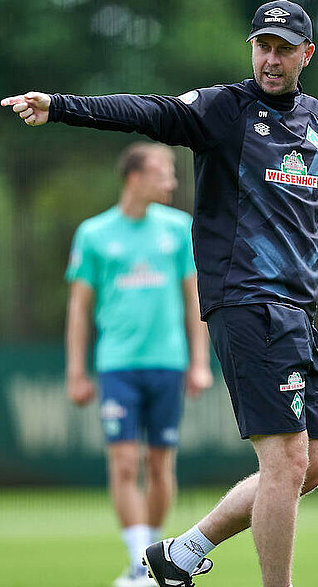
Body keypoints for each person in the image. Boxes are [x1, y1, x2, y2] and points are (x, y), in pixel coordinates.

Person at [1, 0, 318, 587]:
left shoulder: (316, 120)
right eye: (263, 46)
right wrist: (60, 107)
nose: (271, 58)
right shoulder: (225, 110)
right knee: (283, 462)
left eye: (284, 48)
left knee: (310, 467)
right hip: (247, 302)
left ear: (307, 54)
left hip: (297, 311)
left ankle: (182, 553)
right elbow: (148, 112)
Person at [64, 142, 214, 587]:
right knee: (125, 464)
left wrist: (200, 362)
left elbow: (195, 300)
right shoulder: (93, 234)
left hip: (168, 364)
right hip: (117, 366)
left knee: (160, 465)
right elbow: (78, 309)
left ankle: (154, 560)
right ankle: (136, 562)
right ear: (135, 176)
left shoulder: (178, 228)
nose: (172, 181)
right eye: (163, 172)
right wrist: (76, 371)